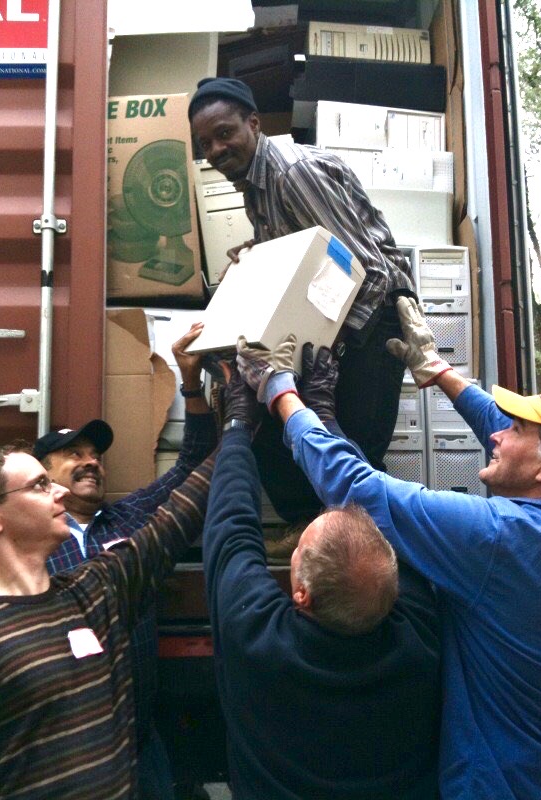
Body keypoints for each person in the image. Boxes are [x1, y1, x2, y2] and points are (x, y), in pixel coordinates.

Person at [235, 303, 541, 800]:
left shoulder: (504, 541)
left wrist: (281, 393)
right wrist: (439, 371)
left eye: (516, 429)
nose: (497, 434)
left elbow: (356, 487)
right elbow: (508, 431)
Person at [201, 361, 441, 800]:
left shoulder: (260, 641)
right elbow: (377, 510)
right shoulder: (421, 641)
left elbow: (232, 529)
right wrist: (324, 416)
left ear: (301, 595)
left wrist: (238, 422)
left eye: (298, 550)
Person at [189, 77, 416, 526]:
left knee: (355, 460)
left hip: (372, 323)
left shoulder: (291, 174)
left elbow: (362, 268)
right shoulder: (255, 181)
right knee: (281, 433)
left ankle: (380, 567)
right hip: (344, 326)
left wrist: (327, 347)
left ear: (253, 123)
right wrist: (258, 251)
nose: (215, 150)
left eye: (224, 133)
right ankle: (316, 537)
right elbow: (307, 246)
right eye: (205, 143)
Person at [32, 322, 217, 799]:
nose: (91, 461)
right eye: (74, 454)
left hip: (138, 739)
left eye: (96, 454)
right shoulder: (27, 539)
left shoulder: (128, 516)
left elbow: (192, 464)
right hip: (65, 752)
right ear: (41, 474)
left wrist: (191, 383)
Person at [0, 438, 214, 798]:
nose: (58, 492)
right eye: (40, 485)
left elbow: (177, 517)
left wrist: (242, 419)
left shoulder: (92, 593)